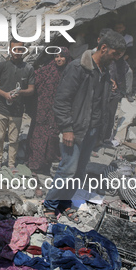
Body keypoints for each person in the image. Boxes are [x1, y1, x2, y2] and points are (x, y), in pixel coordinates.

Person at [43, 31, 126, 224]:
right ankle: (50, 205)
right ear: (103, 48)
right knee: (67, 171)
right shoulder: (77, 68)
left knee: (79, 172)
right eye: (114, 54)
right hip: (75, 129)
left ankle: (65, 204)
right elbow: (61, 101)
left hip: (92, 130)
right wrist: (67, 129)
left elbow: (98, 103)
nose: (115, 60)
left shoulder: (104, 72)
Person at [0, 38, 35, 171]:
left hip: (17, 110)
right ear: (10, 50)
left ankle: (11, 163)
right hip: (1, 108)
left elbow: (31, 89)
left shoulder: (28, 68)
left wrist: (20, 93)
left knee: (14, 140)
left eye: (21, 49)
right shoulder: (2, 66)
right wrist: (5, 94)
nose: (17, 52)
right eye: (15, 49)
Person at [27, 47, 71, 175]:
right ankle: (34, 165)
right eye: (56, 57)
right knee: (37, 135)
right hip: (42, 109)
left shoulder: (70, 71)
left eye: (61, 56)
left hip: (58, 111)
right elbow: (32, 78)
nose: (58, 59)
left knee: (52, 136)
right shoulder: (47, 70)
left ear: (67, 57)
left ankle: (49, 164)